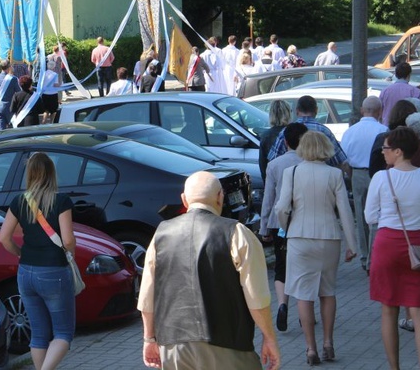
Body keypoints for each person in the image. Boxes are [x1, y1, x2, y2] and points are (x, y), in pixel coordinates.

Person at [138, 171, 280, 370]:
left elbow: (147, 296)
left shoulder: (161, 234)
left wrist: (148, 339)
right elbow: (255, 295)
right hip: (227, 344)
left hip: (173, 344)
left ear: (184, 200)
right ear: (220, 196)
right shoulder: (237, 232)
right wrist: (269, 337)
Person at [274, 131, 357, 365]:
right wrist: (352, 244)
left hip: (299, 238)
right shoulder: (334, 174)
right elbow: (344, 211)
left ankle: (310, 348)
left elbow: (281, 208)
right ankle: (328, 343)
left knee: (303, 294)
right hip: (329, 237)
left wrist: (286, 228)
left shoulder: (291, 172)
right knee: (327, 291)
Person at [0, 153, 76, 370]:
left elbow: (4, 238)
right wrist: (69, 251)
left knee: (39, 334)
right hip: (54, 271)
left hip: (25, 272)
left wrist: (21, 254)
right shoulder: (61, 201)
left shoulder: (19, 201)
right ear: (52, 173)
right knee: (63, 333)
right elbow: (68, 240)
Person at [365, 126, 420, 370]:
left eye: (386, 148)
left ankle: (394, 368)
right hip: (419, 247)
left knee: (389, 310)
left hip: (387, 245)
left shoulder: (382, 178)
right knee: (419, 313)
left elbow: (370, 216)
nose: (383, 152)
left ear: (398, 151)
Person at [260, 122, 308, 333]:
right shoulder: (312, 163)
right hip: (305, 223)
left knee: (282, 265)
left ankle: (282, 304)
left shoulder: (275, 164)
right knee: (304, 268)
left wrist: (263, 227)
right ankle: (305, 312)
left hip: (280, 223)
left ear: (285, 142)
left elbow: (268, 199)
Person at [340, 96, 388, 272]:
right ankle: (375, 256)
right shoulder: (384, 129)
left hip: (357, 173)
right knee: (378, 215)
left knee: (361, 216)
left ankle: (364, 256)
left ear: (362, 110)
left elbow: (343, 159)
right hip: (380, 174)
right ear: (380, 111)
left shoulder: (350, 132)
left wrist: (351, 174)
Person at [268, 95, 350, 177]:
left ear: (297, 111)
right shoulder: (324, 131)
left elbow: (274, 159)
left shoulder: (286, 132)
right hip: (321, 180)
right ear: (316, 110)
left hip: (293, 179)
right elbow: (339, 160)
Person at [259, 100, 293, 182]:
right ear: (288, 113)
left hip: (276, 181)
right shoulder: (294, 132)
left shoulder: (266, 136)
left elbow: (263, 166)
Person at [0, 59, 21, 131]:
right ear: (9, 67)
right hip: (10, 106)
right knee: (11, 129)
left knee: (1, 129)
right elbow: (19, 92)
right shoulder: (13, 78)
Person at [40, 59, 61, 124]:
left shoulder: (43, 73)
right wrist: (60, 84)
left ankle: (44, 121)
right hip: (53, 94)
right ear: (54, 67)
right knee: (53, 110)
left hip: (45, 93)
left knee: (46, 110)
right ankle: (51, 122)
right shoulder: (55, 74)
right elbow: (55, 84)